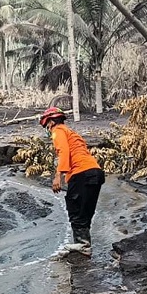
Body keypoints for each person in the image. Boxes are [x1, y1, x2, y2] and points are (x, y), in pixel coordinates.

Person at [39, 106, 105, 256]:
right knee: (86, 209)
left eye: (46, 125)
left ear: (50, 122)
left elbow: (64, 152)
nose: (47, 129)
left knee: (75, 206)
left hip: (81, 172)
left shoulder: (58, 131)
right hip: (95, 172)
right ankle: (84, 243)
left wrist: (58, 176)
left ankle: (82, 244)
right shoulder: (71, 133)